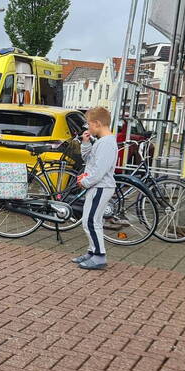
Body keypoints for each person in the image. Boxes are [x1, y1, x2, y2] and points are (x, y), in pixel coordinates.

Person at [72, 106, 118, 271]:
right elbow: (89, 160)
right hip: (97, 186)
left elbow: (99, 170)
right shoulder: (102, 142)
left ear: (97, 123)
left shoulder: (106, 144)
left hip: (100, 187)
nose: (87, 128)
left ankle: (99, 255)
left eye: (89, 124)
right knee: (91, 220)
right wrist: (86, 143)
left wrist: (85, 182)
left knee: (91, 221)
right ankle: (92, 251)